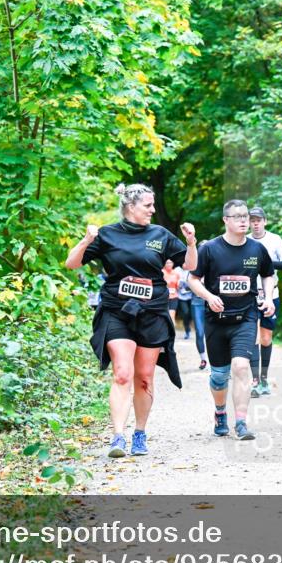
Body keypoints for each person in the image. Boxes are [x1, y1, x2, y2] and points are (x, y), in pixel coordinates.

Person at [65, 183, 197, 457]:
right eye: (148, 205)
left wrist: (191, 243)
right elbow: (71, 263)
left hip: (152, 312)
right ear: (131, 206)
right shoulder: (109, 234)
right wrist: (87, 240)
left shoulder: (160, 235)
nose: (152, 209)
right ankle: (117, 437)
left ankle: (139, 433)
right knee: (123, 373)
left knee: (145, 377)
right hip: (117, 310)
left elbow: (192, 265)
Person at [188, 200, 276, 440]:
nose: (243, 220)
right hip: (216, 320)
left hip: (246, 317)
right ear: (225, 220)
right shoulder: (210, 248)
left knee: (241, 366)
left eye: (245, 216)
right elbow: (193, 279)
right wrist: (208, 296)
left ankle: (241, 422)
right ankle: (220, 412)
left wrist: (268, 298)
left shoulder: (257, 250)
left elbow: (269, 275)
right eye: (237, 216)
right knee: (219, 375)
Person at [247, 206, 282, 398]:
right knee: (252, 338)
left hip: (270, 295)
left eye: (258, 220)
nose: (255, 223)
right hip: (249, 296)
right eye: (252, 220)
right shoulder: (244, 240)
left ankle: (264, 378)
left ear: (265, 221)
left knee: (265, 338)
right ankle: (255, 380)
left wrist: (266, 265)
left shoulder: (274, 240)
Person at [190, 241, 210, 370]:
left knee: (217, 332)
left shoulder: (216, 263)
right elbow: (189, 282)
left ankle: (221, 361)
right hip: (197, 302)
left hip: (212, 302)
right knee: (200, 332)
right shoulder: (193, 264)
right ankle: (203, 359)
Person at [175, 265, 194, 339]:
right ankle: (187, 330)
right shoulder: (177, 270)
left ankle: (190, 327)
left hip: (191, 296)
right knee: (185, 313)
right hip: (181, 296)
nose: (185, 265)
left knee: (192, 314)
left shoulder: (191, 269)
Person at [163, 259, 180, 324]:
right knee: (165, 315)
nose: (169, 264)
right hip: (164, 297)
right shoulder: (162, 272)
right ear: (164, 264)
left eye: (170, 263)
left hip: (174, 297)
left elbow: (178, 286)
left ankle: (172, 332)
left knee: (172, 315)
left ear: (173, 264)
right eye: (167, 263)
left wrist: (179, 284)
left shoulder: (176, 273)